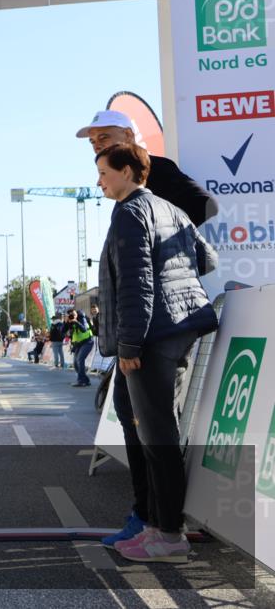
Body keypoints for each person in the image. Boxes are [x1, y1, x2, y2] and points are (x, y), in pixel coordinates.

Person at [76, 109, 217, 547]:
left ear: (128, 148)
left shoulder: (141, 201)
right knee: (142, 424)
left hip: (153, 330)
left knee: (155, 432)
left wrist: (130, 342)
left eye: (105, 140)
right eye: (93, 141)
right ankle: (150, 517)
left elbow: (138, 282)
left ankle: (163, 529)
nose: (96, 145)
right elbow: (205, 258)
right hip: (174, 324)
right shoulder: (147, 206)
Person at [65, 309, 94, 386]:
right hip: (78, 344)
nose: (72, 316)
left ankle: (81, 380)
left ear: (76, 314)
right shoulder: (69, 321)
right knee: (75, 363)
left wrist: (76, 322)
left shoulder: (82, 318)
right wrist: (66, 322)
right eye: (70, 315)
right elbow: (62, 331)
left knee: (80, 359)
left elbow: (84, 329)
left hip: (88, 341)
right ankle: (85, 380)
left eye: (73, 314)